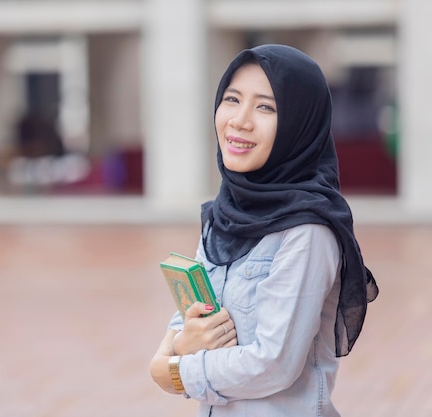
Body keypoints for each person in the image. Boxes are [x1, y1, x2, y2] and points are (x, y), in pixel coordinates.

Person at [149, 44, 379, 416]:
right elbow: (188, 317)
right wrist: (177, 346)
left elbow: (272, 364)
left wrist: (173, 371)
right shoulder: (224, 214)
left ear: (298, 124)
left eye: (265, 107)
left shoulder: (307, 231)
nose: (240, 121)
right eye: (232, 99)